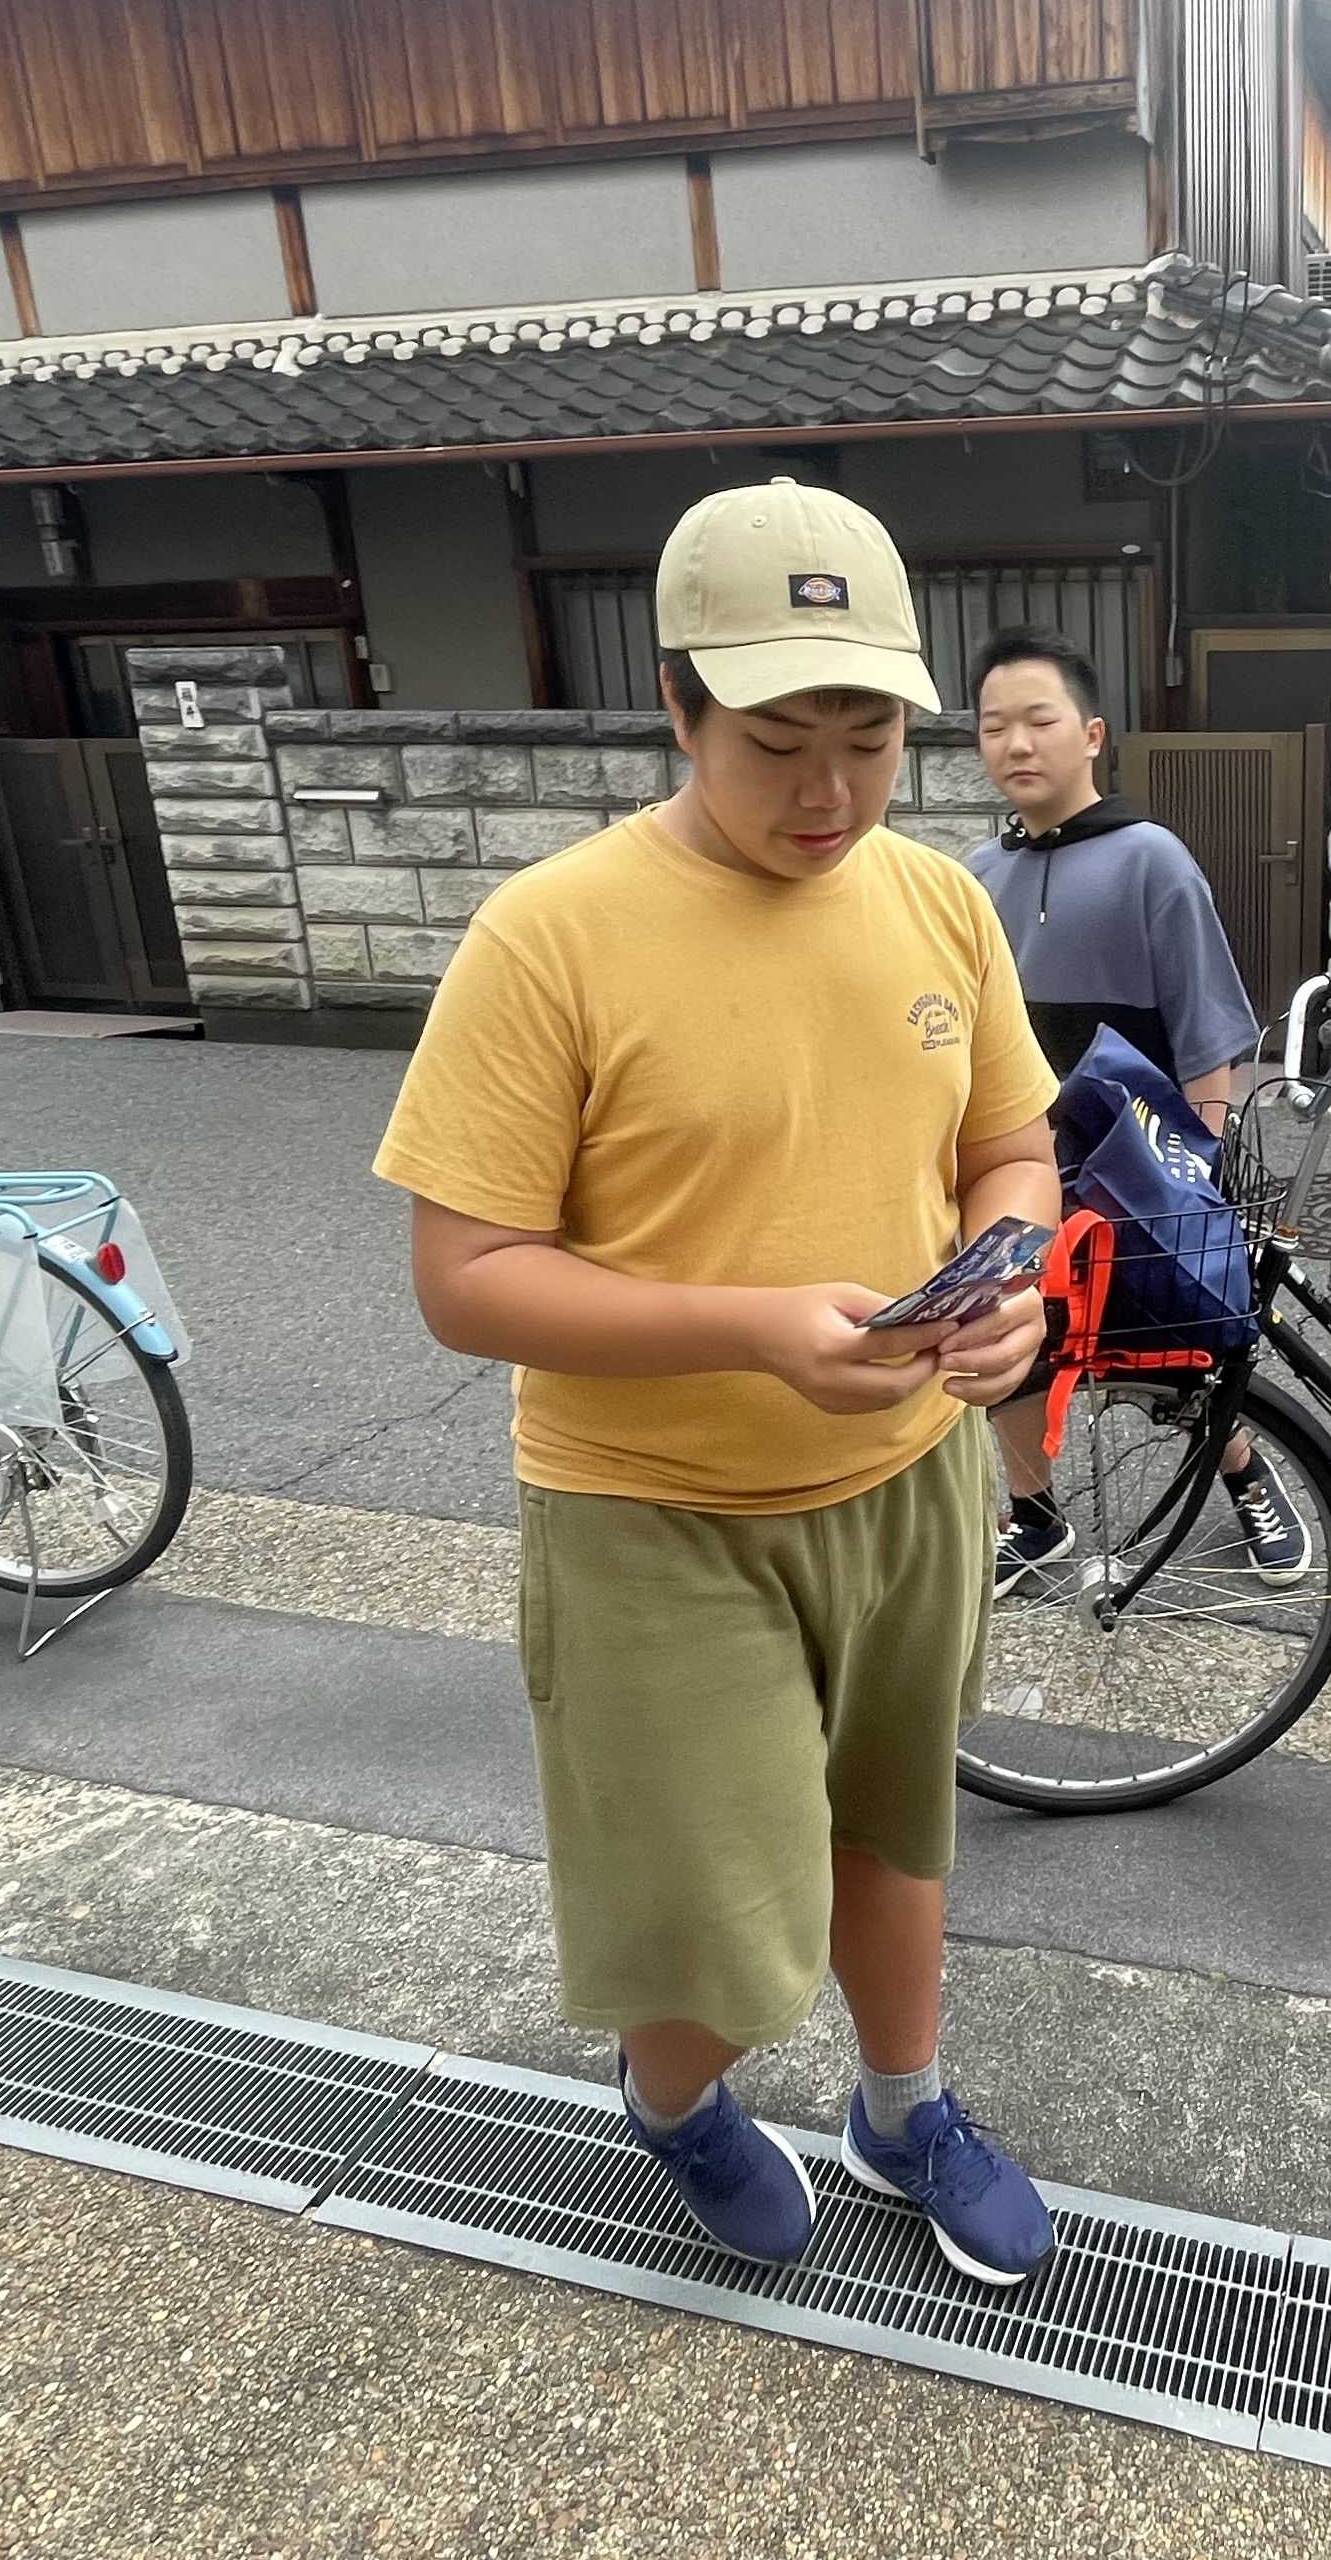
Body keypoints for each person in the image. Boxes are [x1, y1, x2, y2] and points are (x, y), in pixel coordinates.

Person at [379, 479, 1064, 2290]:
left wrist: (1007, 1287)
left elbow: (1011, 1148)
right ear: (677, 707)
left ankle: (903, 2107)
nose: (830, 791)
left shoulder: (939, 903)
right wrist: (755, 1326)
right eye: (777, 742)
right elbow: (465, 1277)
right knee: (716, 1912)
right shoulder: (551, 933)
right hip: (652, 1511)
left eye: (872, 739)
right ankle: (672, 2097)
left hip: (908, 1478)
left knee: (896, 1821)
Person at [963, 632, 1307, 1594]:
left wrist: (1196, 1171)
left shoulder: (1151, 859)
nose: (1016, 744)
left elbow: (1207, 1032)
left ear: (1092, 735)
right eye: (994, 726)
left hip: (1138, 1160)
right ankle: (1034, 1515)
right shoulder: (974, 875)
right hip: (1021, 1162)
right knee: (1013, 1339)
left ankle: (1246, 1474)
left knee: (1181, 1340)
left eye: (1040, 720)